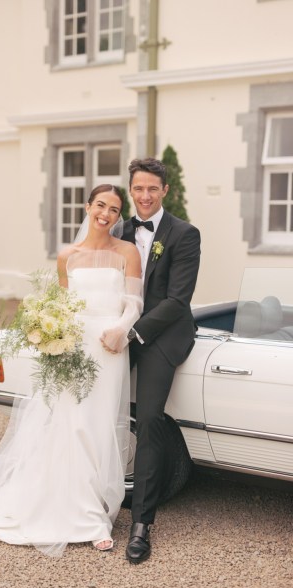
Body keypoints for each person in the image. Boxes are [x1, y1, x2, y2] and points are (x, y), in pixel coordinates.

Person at [0, 184, 142, 556]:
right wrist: (52, 333)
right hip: (72, 350)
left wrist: (121, 330)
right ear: (88, 207)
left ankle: (93, 514)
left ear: (120, 217)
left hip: (109, 349)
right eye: (100, 205)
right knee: (68, 426)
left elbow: (135, 302)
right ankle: (78, 513)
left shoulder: (127, 252)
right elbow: (62, 305)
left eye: (115, 209)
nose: (106, 214)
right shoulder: (67, 256)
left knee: (98, 427)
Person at [122, 157, 201, 564]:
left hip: (161, 335)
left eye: (153, 189)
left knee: (150, 419)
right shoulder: (118, 230)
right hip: (120, 330)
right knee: (93, 408)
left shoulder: (184, 234)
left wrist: (133, 332)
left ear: (165, 191)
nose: (146, 196)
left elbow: (177, 299)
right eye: (139, 189)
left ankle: (141, 524)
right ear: (131, 190)